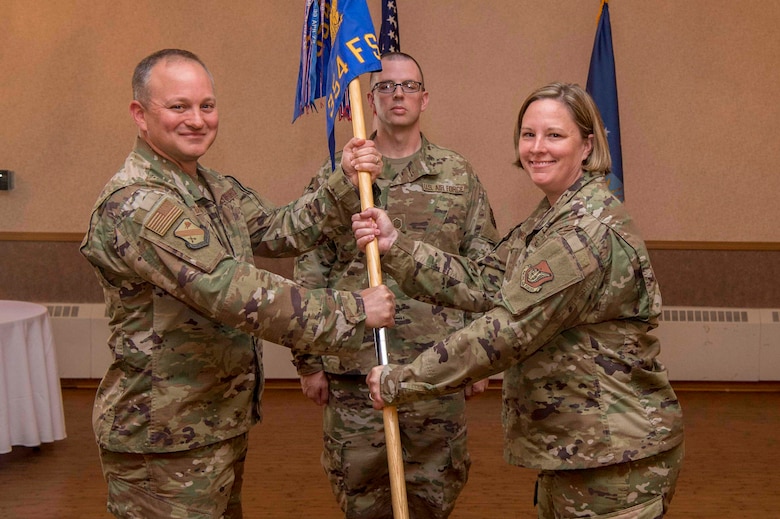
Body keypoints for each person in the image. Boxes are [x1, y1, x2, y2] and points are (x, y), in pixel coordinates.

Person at [79, 48, 396, 519]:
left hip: (211, 423)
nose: (197, 119)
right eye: (178, 106)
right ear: (140, 115)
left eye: (206, 106)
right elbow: (232, 292)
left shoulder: (213, 188)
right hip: (163, 439)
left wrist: (344, 179)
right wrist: (352, 311)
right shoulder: (140, 204)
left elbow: (280, 228)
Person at [354, 83, 684, 518]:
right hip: (580, 453)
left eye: (554, 135)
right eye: (528, 135)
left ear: (587, 145)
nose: (537, 148)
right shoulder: (552, 216)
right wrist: (397, 246)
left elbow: (507, 330)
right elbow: (487, 280)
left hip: (614, 461)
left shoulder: (584, 232)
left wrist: (404, 380)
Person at [292, 52, 500, 519]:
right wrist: (308, 361)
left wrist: (482, 356)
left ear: (424, 98)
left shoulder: (457, 175)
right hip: (355, 371)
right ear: (370, 100)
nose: (398, 94)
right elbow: (311, 265)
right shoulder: (343, 178)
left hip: (437, 368)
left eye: (408, 86)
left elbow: (484, 268)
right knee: (361, 497)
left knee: (432, 497)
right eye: (386, 87)